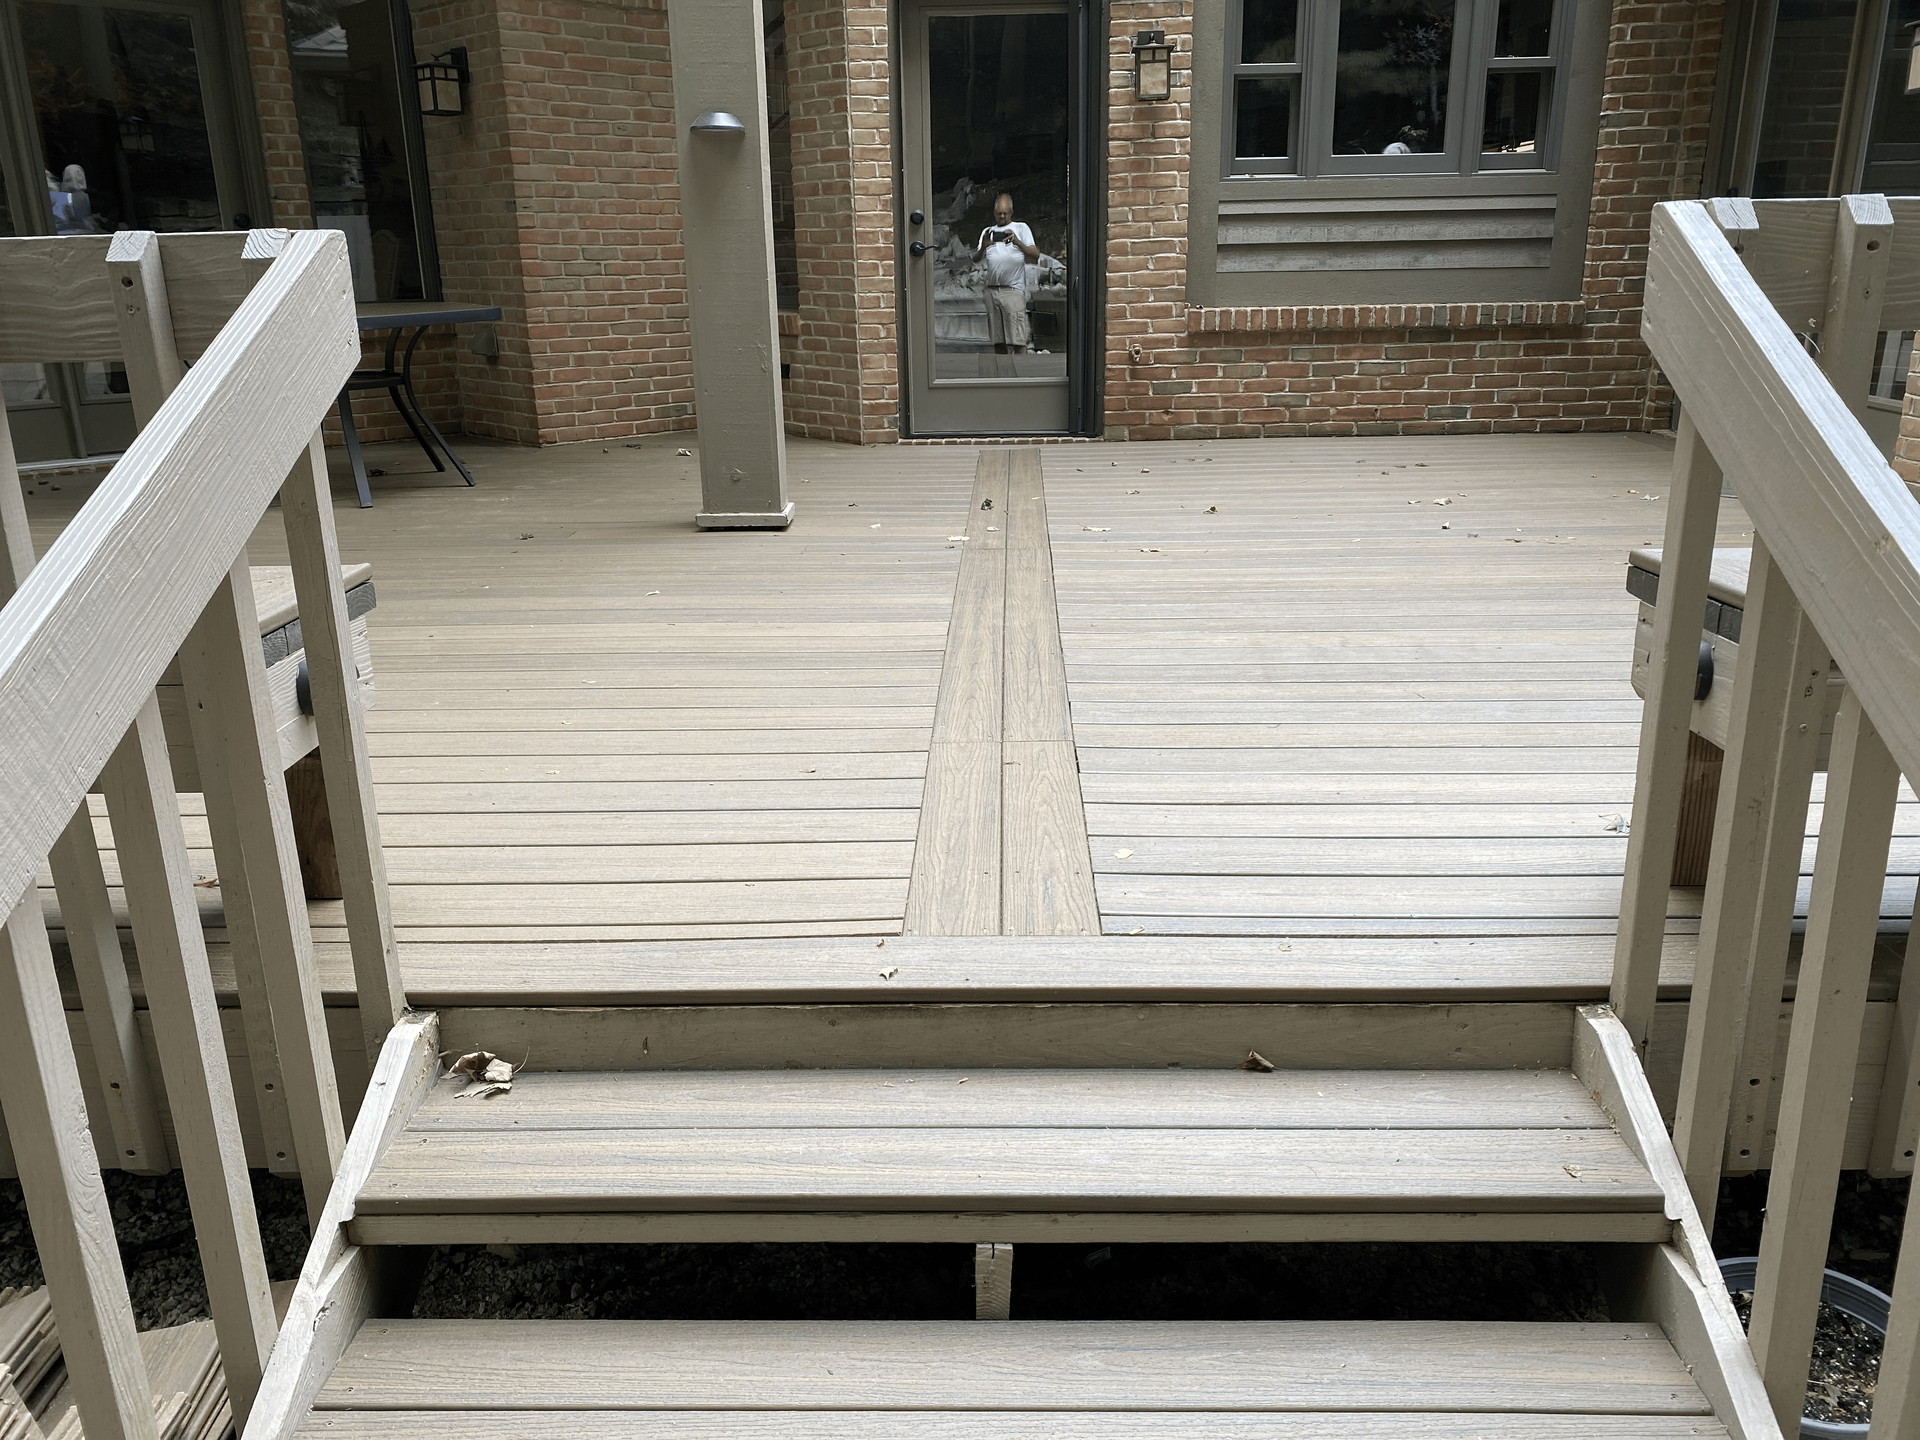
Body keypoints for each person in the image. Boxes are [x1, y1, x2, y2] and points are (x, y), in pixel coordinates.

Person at [972, 192, 1038, 355]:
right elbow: (975, 259)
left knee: (1018, 340)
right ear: (994, 213)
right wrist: (984, 247)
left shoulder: (1021, 228)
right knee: (998, 340)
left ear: (1011, 212)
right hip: (992, 290)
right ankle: (1002, 375)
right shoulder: (988, 231)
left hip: (1013, 291)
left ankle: (1021, 377)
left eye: (1005, 213)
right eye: (998, 213)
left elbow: (1035, 254)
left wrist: (1016, 242)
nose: (1001, 216)